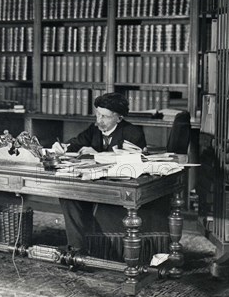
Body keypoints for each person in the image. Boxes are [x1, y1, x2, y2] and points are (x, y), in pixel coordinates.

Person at [51, 92, 167, 254]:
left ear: (119, 118)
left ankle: (103, 250)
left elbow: (131, 161)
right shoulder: (94, 129)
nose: (99, 120)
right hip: (95, 183)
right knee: (68, 195)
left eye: (105, 117)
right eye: (97, 114)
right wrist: (63, 147)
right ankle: (77, 249)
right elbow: (76, 143)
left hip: (121, 187)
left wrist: (96, 155)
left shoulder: (132, 132)